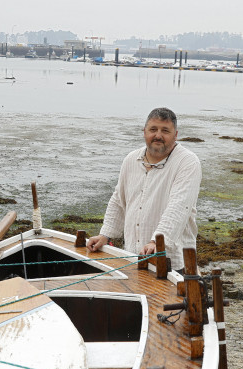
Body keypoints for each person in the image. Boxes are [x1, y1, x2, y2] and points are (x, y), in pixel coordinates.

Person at [86, 107, 202, 271]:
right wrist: (105, 235)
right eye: (153, 129)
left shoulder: (188, 162)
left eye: (165, 131)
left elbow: (179, 207)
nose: (158, 136)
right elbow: (119, 201)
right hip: (133, 258)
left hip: (172, 264)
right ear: (144, 132)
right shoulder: (131, 160)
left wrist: (156, 242)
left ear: (175, 135)